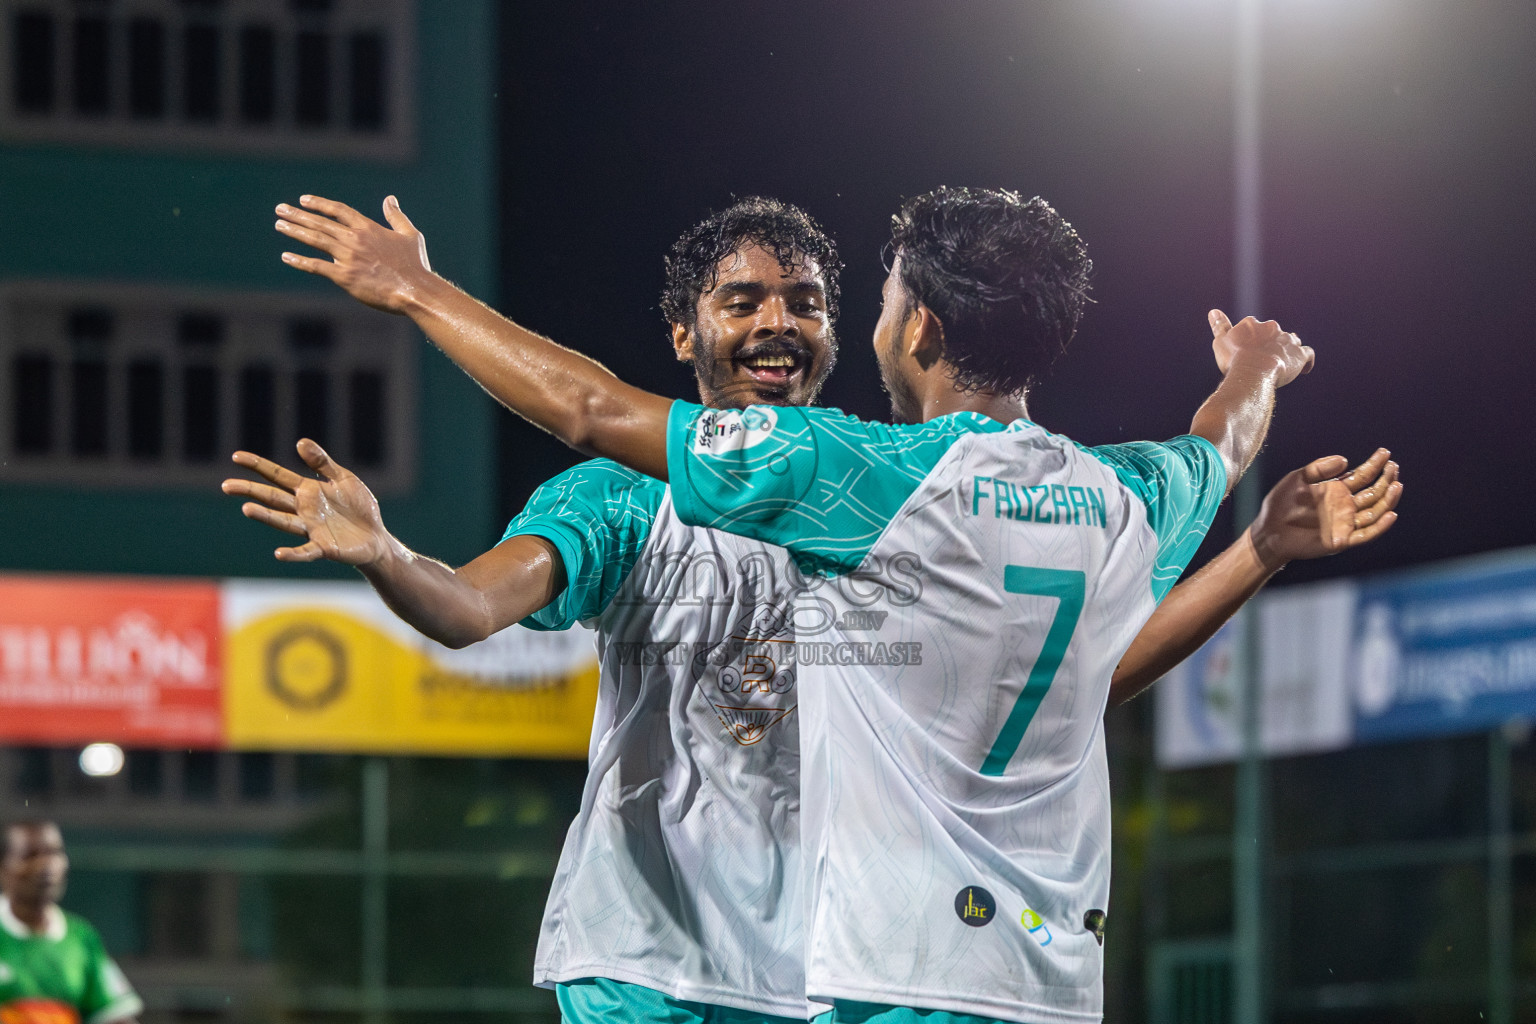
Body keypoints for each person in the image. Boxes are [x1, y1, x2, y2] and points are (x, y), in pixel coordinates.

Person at [248, 190, 1398, 1023]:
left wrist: (415, 289)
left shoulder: (863, 484)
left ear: (898, 333)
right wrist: (1254, 380)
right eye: (740, 300)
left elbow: (596, 405)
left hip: (838, 966)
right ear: (685, 332)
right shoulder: (647, 498)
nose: (777, 321)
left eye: (808, 299)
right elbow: (465, 606)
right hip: (668, 955)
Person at [0, 820, 141, 1024]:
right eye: (30, 855)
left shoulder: (81, 938)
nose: (45, 866)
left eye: (54, 854)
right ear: (3, 868)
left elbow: (115, 1015)